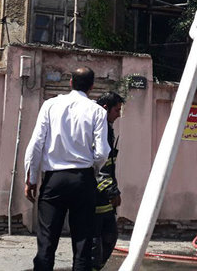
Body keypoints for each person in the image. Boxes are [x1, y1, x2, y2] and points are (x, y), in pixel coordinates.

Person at [24, 66, 110, 271]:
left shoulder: (50, 105)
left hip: (54, 180)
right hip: (83, 180)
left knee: (47, 240)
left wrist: (31, 179)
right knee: (82, 242)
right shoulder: (97, 110)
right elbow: (102, 152)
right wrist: (92, 168)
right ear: (92, 87)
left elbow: (36, 144)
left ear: (70, 82)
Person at [92, 91, 125, 271]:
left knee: (109, 237)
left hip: (105, 197)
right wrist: (112, 191)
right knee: (94, 245)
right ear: (105, 108)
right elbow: (98, 166)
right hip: (94, 195)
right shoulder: (96, 128)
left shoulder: (107, 128)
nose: (119, 114)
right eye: (116, 110)